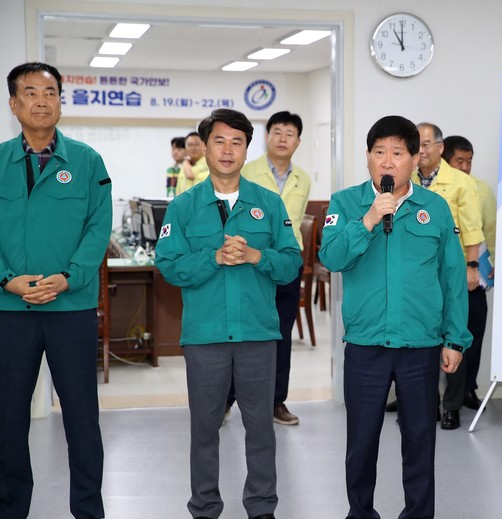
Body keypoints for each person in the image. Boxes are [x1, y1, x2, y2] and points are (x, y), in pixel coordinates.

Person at [319, 115, 471, 519]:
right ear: (368, 157)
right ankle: (360, 513)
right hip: (366, 344)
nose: (387, 162)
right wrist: (368, 220)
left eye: (398, 153)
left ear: (415, 159)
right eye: (379, 152)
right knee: (361, 442)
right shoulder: (345, 203)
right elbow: (331, 257)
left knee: (420, 441)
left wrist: (455, 338)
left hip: (420, 345)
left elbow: (453, 277)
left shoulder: (435, 208)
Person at [155, 108, 302, 519]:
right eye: (218, 141)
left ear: (246, 150)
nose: (227, 150)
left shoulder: (268, 203)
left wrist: (257, 255)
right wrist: (213, 258)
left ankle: (262, 507)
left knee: (260, 428)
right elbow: (168, 265)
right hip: (206, 335)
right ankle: (204, 507)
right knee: (204, 428)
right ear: (205, 148)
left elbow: (291, 262)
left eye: (237, 142)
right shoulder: (184, 206)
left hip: (258, 334)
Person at [0, 61, 112, 519]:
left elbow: (98, 228)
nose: (41, 101)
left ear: (61, 103)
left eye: (50, 93)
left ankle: (88, 510)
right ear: (13, 104)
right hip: (10, 311)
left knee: (82, 420)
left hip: (71, 309)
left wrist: (69, 276)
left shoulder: (87, 161)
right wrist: (6, 279)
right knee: (8, 420)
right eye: (30, 93)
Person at [240, 111, 311, 426]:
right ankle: (228, 398)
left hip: (286, 263)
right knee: (244, 331)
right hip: (251, 262)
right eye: (277, 132)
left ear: (298, 141)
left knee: (282, 333)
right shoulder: (247, 171)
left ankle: (276, 401)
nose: (283, 138)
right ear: (267, 136)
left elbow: (294, 224)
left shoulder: (303, 179)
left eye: (290, 134)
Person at [410, 123, 483, 431]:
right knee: (423, 340)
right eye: (416, 144)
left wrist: (472, 266)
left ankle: (451, 406)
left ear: (440, 147)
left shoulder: (461, 181)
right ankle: (424, 404)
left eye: (426, 144)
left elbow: (472, 227)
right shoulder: (408, 178)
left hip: (451, 271)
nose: (421, 150)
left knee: (454, 336)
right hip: (417, 275)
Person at [442, 134, 497, 411]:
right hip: (442, 276)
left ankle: (468, 389)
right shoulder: (432, 186)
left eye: (469, 161)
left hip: (474, 275)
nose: (465, 167)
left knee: (473, 333)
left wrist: (494, 262)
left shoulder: (482, 189)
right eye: (459, 161)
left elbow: (491, 228)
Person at [175, 131, 209, 196]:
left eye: (196, 144)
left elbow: (190, 175)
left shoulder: (207, 162)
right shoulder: (185, 166)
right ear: (185, 147)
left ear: (204, 146)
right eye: (190, 145)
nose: (193, 148)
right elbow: (178, 191)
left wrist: (185, 161)